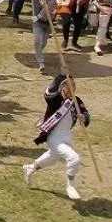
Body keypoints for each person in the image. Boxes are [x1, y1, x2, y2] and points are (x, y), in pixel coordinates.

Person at [22, 73, 90, 201]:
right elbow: (49, 93)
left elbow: (85, 113)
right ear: (62, 87)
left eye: (73, 85)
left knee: (53, 158)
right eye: (68, 86)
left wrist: (84, 118)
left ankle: (30, 168)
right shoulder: (55, 100)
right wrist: (61, 75)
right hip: (54, 137)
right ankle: (71, 185)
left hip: (67, 136)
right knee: (74, 158)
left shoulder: (77, 101)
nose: (71, 88)